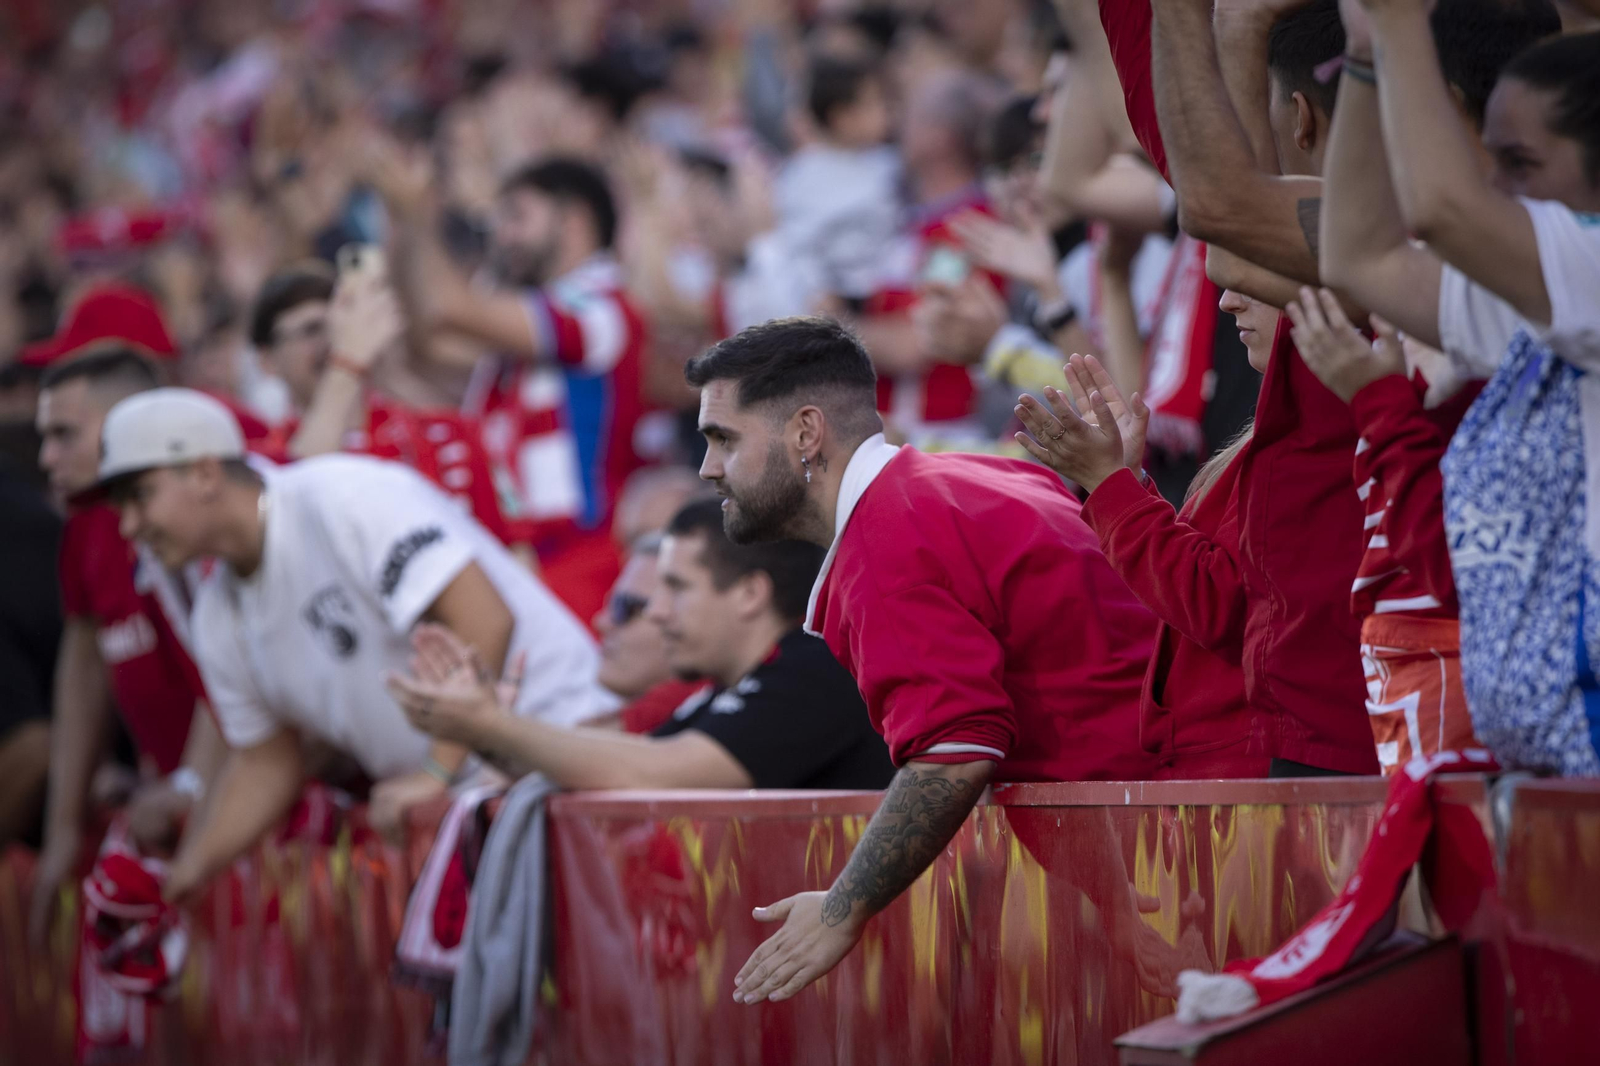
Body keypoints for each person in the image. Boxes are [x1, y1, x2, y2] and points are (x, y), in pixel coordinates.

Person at [683, 316, 1157, 1003]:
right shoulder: (963, 477)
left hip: (1172, 841)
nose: (708, 468)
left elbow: (954, 753)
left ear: (806, 433)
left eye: (724, 438)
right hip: (1174, 826)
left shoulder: (889, 533)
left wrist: (843, 907)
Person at [89, 388, 617, 900]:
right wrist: (182, 879)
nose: (129, 526)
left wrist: (435, 774)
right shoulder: (216, 615)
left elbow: (483, 621)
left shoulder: (342, 497)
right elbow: (267, 763)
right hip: (483, 812)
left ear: (205, 473)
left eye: (140, 496)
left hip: (580, 762)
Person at [1317, 22, 1600, 775]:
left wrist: (1397, 19)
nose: (1495, 189)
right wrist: (1368, 56)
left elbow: (1440, 211)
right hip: (1553, 783)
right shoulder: (1546, 301)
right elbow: (1360, 257)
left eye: (1520, 163)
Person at [385, 498, 895, 791]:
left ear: (749, 594)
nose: (657, 612)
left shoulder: (816, 670)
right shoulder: (726, 690)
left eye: (677, 588)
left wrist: (494, 724)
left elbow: (650, 773)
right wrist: (480, 730)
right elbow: (608, 766)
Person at [371, 151, 649, 624]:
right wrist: (402, 223)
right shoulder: (531, 316)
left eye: (518, 217)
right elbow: (427, 341)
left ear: (573, 221)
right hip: (520, 557)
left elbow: (447, 310)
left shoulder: (604, 308)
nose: (503, 236)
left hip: (581, 556)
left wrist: (420, 214)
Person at [28, 350, 228, 944]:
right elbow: (85, 663)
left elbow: (233, 671)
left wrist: (192, 784)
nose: (46, 458)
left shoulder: (196, 514)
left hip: (248, 815)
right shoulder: (89, 524)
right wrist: (64, 828)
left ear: (129, 421)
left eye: (65, 435)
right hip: (177, 818)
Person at [247, 261, 509, 540]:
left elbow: (513, 550)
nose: (334, 339)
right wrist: (347, 364)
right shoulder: (262, 463)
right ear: (267, 361)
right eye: (312, 329)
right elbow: (294, 503)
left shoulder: (450, 434)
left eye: (340, 324)